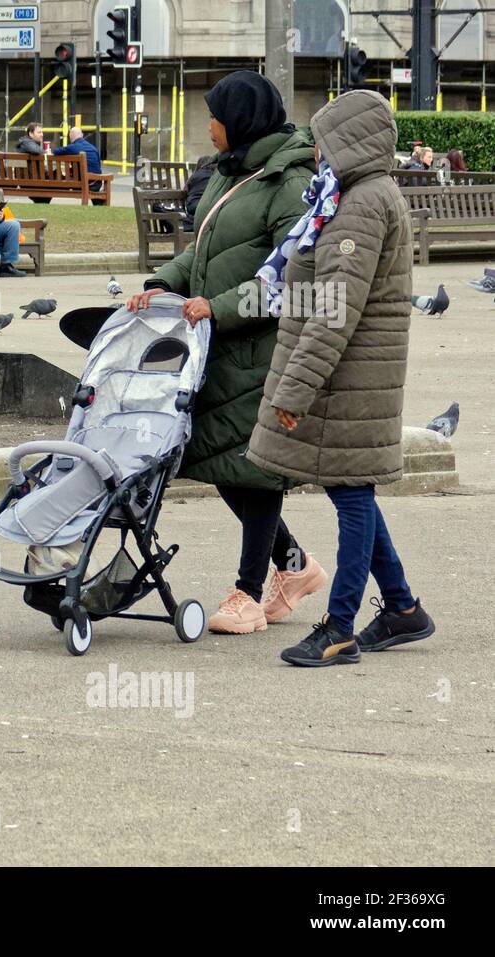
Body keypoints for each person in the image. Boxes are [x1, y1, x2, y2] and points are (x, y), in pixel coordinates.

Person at [126, 70, 327, 635]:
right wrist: (163, 283)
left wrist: (219, 307)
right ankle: (295, 566)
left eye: (214, 116)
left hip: (262, 350)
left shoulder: (289, 183)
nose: (208, 126)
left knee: (254, 470)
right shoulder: (228, 175)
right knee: (222, 464)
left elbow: (293, 277)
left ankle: (248, 593)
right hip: (217, 349)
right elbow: (203, 256)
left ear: (240, 120)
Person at [248, 90, 436, 667]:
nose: (316, 149)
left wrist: (295, 391)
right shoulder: (352, 195)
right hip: (351, 377)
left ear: (349, 142)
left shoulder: (359, 204)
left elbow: (334, 309)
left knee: (353, 499)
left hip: (348, 380)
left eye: (324, 139)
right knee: (351, 491)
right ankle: (403, 609)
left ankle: (340, 626)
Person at [182, 155, 217, 231]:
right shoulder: (216, 177)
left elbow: (186, 192)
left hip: (193, 207)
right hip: (210, 208)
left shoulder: (195, 176)